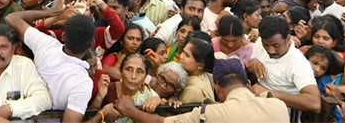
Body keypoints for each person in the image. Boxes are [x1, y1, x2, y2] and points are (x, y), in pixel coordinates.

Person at [113, 58, 290, 123]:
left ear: (217, 88)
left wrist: (129, 110)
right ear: (248, 85)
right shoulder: (279, 106)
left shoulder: (209, 113)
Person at [4, 5, 96, 122]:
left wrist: (53, 13)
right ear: (92, 42)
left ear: (63, 36)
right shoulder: (82, 82)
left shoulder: (45, 44)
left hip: (17, 115)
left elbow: (11, 18)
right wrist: (101, 115)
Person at [248, 16, 322, 114]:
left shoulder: (298, 62)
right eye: (266, 45)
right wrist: (252, 62)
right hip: (257, 102)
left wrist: (270, 93)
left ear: (288, 38)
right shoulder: (259, 43)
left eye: (276, 45)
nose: (270, 50)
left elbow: (314, 104)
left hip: (279, 112)